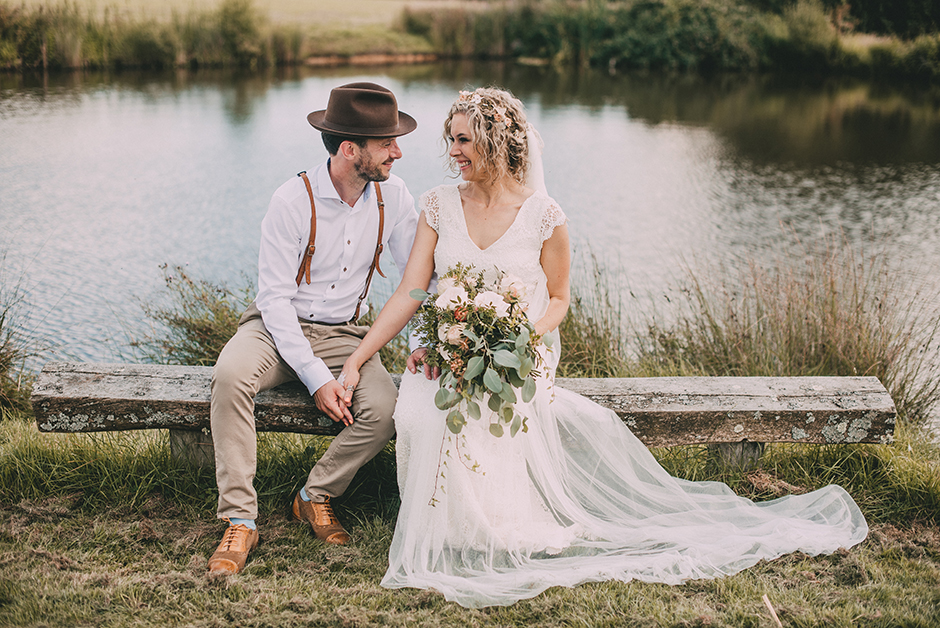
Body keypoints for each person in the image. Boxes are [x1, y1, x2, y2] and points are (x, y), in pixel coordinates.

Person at [339, 87, 869, 608]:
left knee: (488, 401)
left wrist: (515, 339)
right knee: (419, 410)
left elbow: (560, 301)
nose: (451, 151)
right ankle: (447, 526)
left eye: (462, 140)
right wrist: (372, 354)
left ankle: (496, 525)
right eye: (450, 140)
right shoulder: (437, 205)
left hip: (523, 347)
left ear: (497, 143)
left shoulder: (545, 216)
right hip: (452, 341)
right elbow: (413, 291)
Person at [207, 82, 421, 575]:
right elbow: (274, 300)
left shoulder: (394, 197)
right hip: (274, 330)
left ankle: (314, 493)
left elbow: (417, 279)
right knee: (229, 377)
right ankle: (240, 518)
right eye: (386, 142)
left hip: (345, 333)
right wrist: (317, 379)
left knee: (387, 407)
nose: (398, 152)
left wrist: (422, 342)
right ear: (351, 150)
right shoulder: (290, 200)